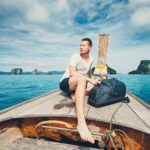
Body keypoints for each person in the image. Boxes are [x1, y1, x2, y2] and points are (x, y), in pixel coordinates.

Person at [59, 38, 99, 143]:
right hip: (67, 82)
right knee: (82, 79)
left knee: (94, 85)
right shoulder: (75, 57)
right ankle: (81, 122)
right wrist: (89, 79)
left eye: (84, 45)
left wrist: (93, 79)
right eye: (80, 45)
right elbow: (72, 72)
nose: (81, 47)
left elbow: (89, 71)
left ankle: (74, 94)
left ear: (90, 47)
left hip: (80, 82)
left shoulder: (91, 59)